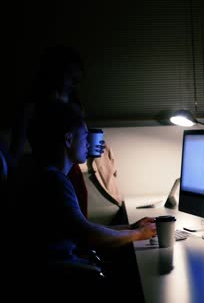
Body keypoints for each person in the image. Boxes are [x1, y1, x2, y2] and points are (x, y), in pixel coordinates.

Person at [17, 102, 155, 300]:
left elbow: (80, 228)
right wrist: (136, 234)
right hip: (62, 278)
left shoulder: (41, 174)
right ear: (68, 139)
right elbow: (88, 235)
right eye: (84, 137)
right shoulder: (53, 181)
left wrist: (131, 227)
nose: (89, 144)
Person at [9, 45, 100, 217]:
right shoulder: (31, 107)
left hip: (71, 172)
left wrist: (87, 148)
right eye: (71, 77)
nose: (75, 83)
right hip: (46, 172)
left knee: (77, 224)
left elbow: (75, 141)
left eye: (78, 79)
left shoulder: (74, 103)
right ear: (55, 73)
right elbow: (16, 149)